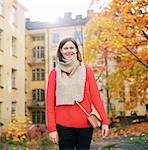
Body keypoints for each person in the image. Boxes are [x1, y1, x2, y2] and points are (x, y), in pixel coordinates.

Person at [46, 37, 109, 150]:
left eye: (71, 48)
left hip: (85, 126)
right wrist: (52, 129)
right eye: (65, 48)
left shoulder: (87, 71)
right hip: (63, 126)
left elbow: (96, 98)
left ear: (76, 50)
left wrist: (104, 121)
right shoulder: (54, 73)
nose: (69, 51)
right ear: (61, 50)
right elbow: (50, 103)